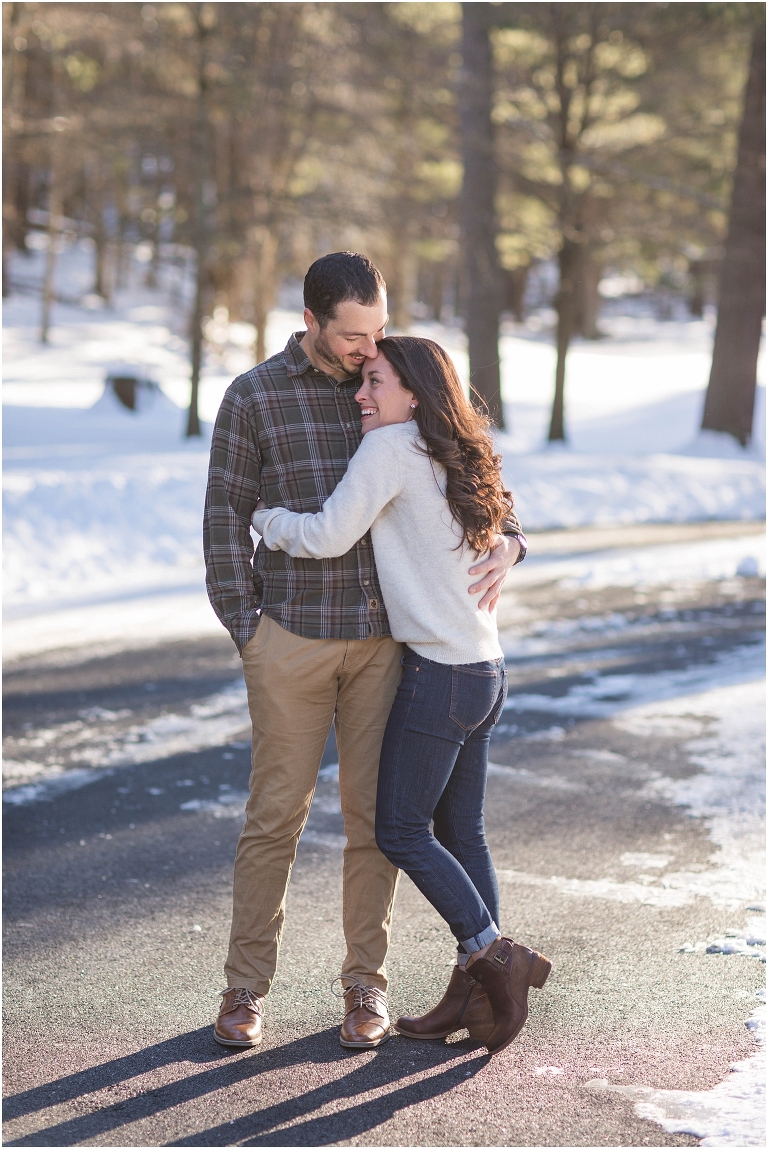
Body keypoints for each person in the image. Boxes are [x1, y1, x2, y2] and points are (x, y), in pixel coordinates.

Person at [203, 252, 526, 1051]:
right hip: (291, 641)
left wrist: (512, 539)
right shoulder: (255, 397)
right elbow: (223, 517)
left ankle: (365, 986)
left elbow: (471, 468)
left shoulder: (389, 385)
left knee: (373, 825)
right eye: (353, 335)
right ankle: (246, 986)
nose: (365, 350)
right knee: (274, 817)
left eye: (377, 331)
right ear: (311, 322)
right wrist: (249, 630)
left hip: (388, 650)